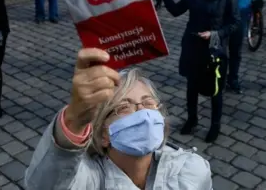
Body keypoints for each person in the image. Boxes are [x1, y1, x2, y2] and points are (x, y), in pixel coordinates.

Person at [25, 54, 213, 189]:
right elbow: (45, 184)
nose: (142, 113)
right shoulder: (89, 181)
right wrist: (74, 120)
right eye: (124, 107)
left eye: (148, 103)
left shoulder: (193, 170)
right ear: (104, 134)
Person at [157, 0, 240, 142]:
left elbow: (235, 22)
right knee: (191, 86)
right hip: (193, 46)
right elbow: (177, 11)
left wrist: (215, 34)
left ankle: (215, 125)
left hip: (215, 46)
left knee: (216, 89)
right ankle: (192, 119)